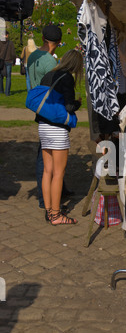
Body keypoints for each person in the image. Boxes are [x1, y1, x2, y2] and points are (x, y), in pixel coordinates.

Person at [38, 49, 83, 225]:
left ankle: (49, 209)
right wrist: (78, 104)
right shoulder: (66, 78)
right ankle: (56, 215)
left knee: (47, 171)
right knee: (59, 172)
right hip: (57, 128)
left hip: (43, 125)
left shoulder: (49, 75)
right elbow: (69, 107)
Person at [27, 24, 63, 210]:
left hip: (37, 102)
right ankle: (45, 198)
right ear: (56, 42)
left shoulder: (33, 55)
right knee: (47, 155)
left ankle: (59, 189)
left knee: (49, 152)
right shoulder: (50, 62)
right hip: (48, 106)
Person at [0, 31, 16, 96]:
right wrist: (14, 61)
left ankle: (1, 90)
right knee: (8, 77)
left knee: (0, 76)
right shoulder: (10, 43)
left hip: (1, 61)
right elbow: (13, 53)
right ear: (7, 35)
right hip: (9, 61)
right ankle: (7, 92)